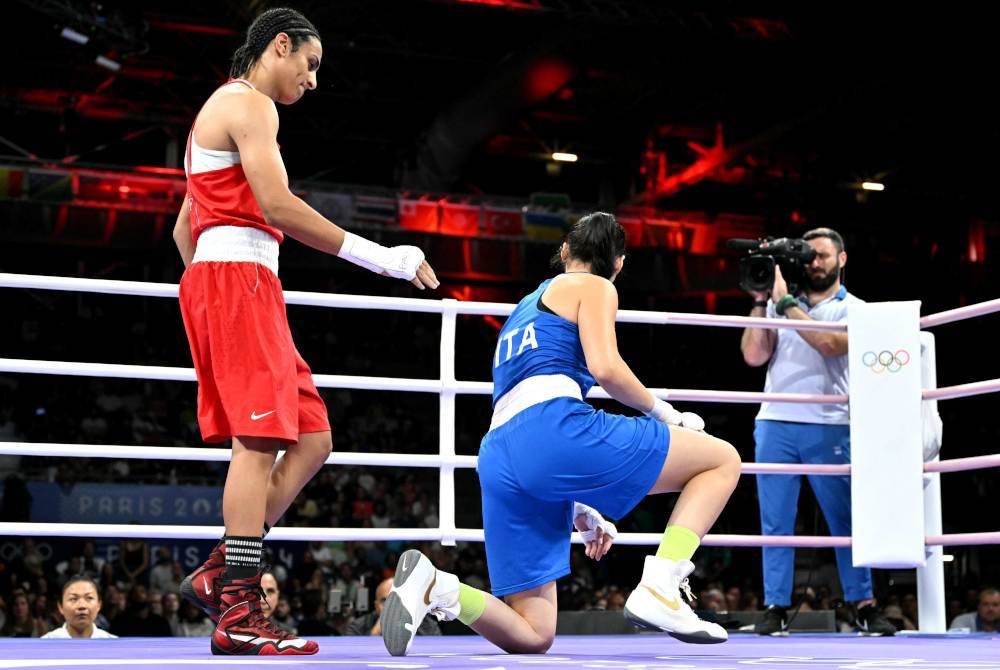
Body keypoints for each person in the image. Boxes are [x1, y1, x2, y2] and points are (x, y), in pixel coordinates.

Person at [171, 7, 439, 657]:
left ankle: (218, 571)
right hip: (239, 283)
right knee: (259, 440)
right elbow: (277, 206)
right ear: (279, 46)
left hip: (238, 282)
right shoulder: (251, 105)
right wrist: (385, 257)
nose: (313, 80)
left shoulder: (223, 114)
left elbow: (185, 228)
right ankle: (238, 606)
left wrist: (219, 287)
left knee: (313, 437)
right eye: (310, 64)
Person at [380, 212, 741, 656]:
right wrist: (665, 412)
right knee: (721, 459)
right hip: (551, 430)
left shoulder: (522, 309)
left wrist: (578, 508)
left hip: (500, 453)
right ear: (619, 263)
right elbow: (605, 368)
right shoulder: (595, 286)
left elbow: (530, 425)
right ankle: (662, 585)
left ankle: (436, 587)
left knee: (533, 633)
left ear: (565, 251)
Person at [739, 227, 895, 636]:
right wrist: (761, 302)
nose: (816, 262)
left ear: (842, 259)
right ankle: (775, 605)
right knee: (774, 521)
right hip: (774, 420)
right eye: (810, 256)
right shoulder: (779, 303)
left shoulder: (855, 309)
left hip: (830, 423)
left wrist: (786, 304)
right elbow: (754, 356)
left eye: (824, 255)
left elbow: (827, 344)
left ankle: (864, 604)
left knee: (844, 520)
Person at [345, 577, 440, 636]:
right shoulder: (357, 628)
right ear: (376, 606)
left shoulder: (428, 627)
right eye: (385, 601)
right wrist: (374, 636)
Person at [41, 576, 116, 639]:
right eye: (73, 599)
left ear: (99, 605)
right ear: (60, 607)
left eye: (89, 598)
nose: (82, 606)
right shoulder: (45, 644)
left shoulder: (114, 644)